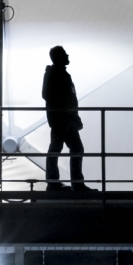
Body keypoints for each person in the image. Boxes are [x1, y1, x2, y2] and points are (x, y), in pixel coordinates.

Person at [42, 46, 93, 191]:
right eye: (64, 54)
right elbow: (47, 94)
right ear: (58, 57)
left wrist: (74, 115)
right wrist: (68, 110)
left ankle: (59, 182)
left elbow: (53, 95)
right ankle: (64, 183)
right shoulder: (56, 73)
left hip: (65, 117)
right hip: (61, 117)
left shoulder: (59, 73)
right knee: (61, 147)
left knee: (67, 147)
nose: (67, 55)